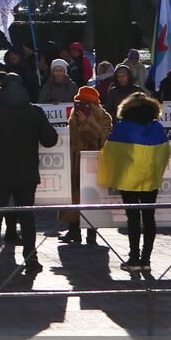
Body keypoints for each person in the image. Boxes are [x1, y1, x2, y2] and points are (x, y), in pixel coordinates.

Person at [0, 74, 59, 273]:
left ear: (3, 89)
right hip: (26, 173)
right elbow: (50, 139)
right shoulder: (35, 112)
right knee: (27, 217)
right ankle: (30, 257)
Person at [98, 92, 171, 273]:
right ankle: (146, 260)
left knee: (133, 218)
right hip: (151, 178)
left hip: (128, 177)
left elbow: (109, 152)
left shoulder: (123, 127)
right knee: (149, 217)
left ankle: (134, 258)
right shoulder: (157, 127)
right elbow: (165, 152)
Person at [61, 86, 112, 246]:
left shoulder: (104, 117)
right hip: (74, 161)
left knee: (92, 196)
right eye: (78, 101)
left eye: (84, 102)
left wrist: (87, 123)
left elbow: (101, 139)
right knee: (74, 197)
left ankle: (92, 233)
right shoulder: (73, 114)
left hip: (92, 162)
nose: (80, 104)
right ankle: (73, 230)